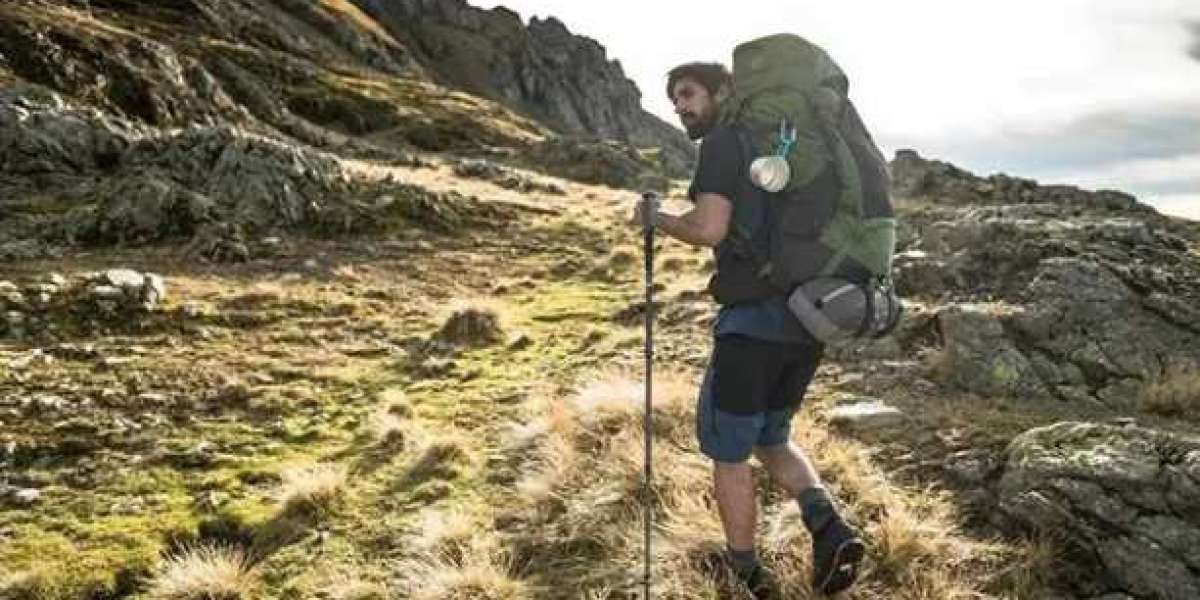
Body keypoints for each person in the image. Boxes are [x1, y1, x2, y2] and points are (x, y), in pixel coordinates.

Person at [633, 62, 866, 598]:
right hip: (808, 320)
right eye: (674, 101)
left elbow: (708, 227)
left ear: (722, 92)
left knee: (730, 454)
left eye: (688, 95)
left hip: (750, 328)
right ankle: (830, 529)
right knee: (772, 437)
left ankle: (745, 573)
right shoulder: (787, 145)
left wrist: (657, 220)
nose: (680, 107)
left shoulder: (723, 143)